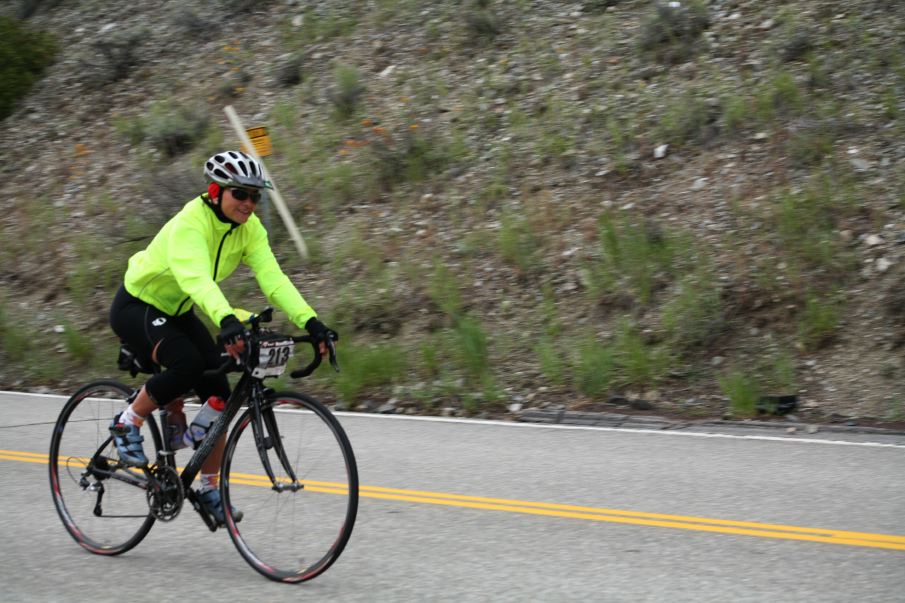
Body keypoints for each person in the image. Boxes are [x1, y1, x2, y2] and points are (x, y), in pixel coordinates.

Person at [108, 150, 337, 525]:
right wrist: (227, 319)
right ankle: (127, 420)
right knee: (188, 364)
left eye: (255, 196)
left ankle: (210, 488)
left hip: (181, 310)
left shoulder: (250, 230)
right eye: (240, 194)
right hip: (139, 305)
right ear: (216, 191)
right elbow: (195, 278)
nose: (248, 203)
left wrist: (311, 321)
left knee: (219, 392)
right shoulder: (190, 224)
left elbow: (273, 279)